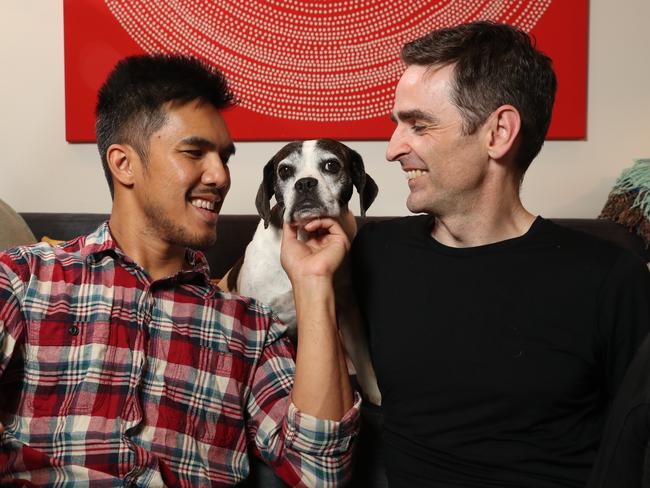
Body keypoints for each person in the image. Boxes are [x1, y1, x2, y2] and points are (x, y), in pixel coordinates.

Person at [0, 54, 359, 487]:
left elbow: (322, 471)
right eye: (195, 152)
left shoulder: (249, 325)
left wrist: (315, 279)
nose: (221, 176)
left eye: (224, 157)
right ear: (123, 164)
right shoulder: (24, 278)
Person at [351, 21, 650, 487]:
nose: (392, 150)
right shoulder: (373, 252)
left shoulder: (609, 277)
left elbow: (635, 446)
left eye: (418, 125)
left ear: (499, 133)